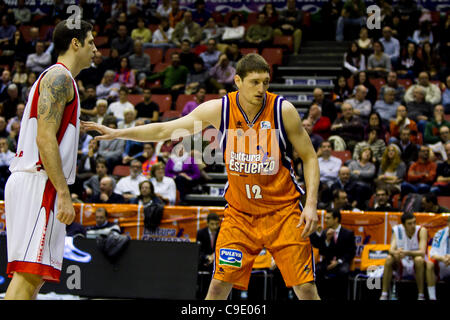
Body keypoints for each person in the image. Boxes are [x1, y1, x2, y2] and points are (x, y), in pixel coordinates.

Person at [82, 53, 321, 300]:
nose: (261, 88)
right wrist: (118, 133)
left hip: (283, 212)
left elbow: (310, 157)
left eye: (265, 82)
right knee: (217, 286)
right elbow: (166, 129)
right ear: (237, 81)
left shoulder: (283, 110)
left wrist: (311, 204)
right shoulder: (220, 109)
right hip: (240, 215)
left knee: (305, 288)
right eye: (254, 82)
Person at [3, 19, 96, 300]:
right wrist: (64, 193)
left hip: (33, 180)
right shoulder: (59, 78)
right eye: (91, 42)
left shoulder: (58, 78)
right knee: (28, 276)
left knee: (33, 279)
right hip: (40, 182)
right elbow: (44, 139)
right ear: (75, 43)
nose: (95, 49)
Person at [309, 209, 356, 300]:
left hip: (341, 262)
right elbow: (322, 251)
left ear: (336, 219)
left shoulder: (348, 233)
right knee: (317, 270)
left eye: (328, 218)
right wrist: (327, 241)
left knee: (343, 272)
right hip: (327, 261)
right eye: (325, 218)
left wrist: (338, 262)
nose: (325, 220)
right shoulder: (324, 233)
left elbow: (351, 253)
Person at [380, 212, 428, 300]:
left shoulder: (421, 230)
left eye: (414, 222)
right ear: (403, 225)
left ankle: (421, 295)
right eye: (410, 223)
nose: (413, 225)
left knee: (418, 259)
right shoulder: (398, 230)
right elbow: (391, 249)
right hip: (402, 261)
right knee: (389, 258)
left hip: (417, 262)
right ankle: (384, 294)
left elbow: (422, 252)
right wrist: (396, 253)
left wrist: (406, 252)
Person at [425, 215, 450, 300]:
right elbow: (432, 253)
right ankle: (432, 297)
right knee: (429, 264)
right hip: (442, 264)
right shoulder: (439, 234)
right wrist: (443, 258)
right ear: (448, 224)